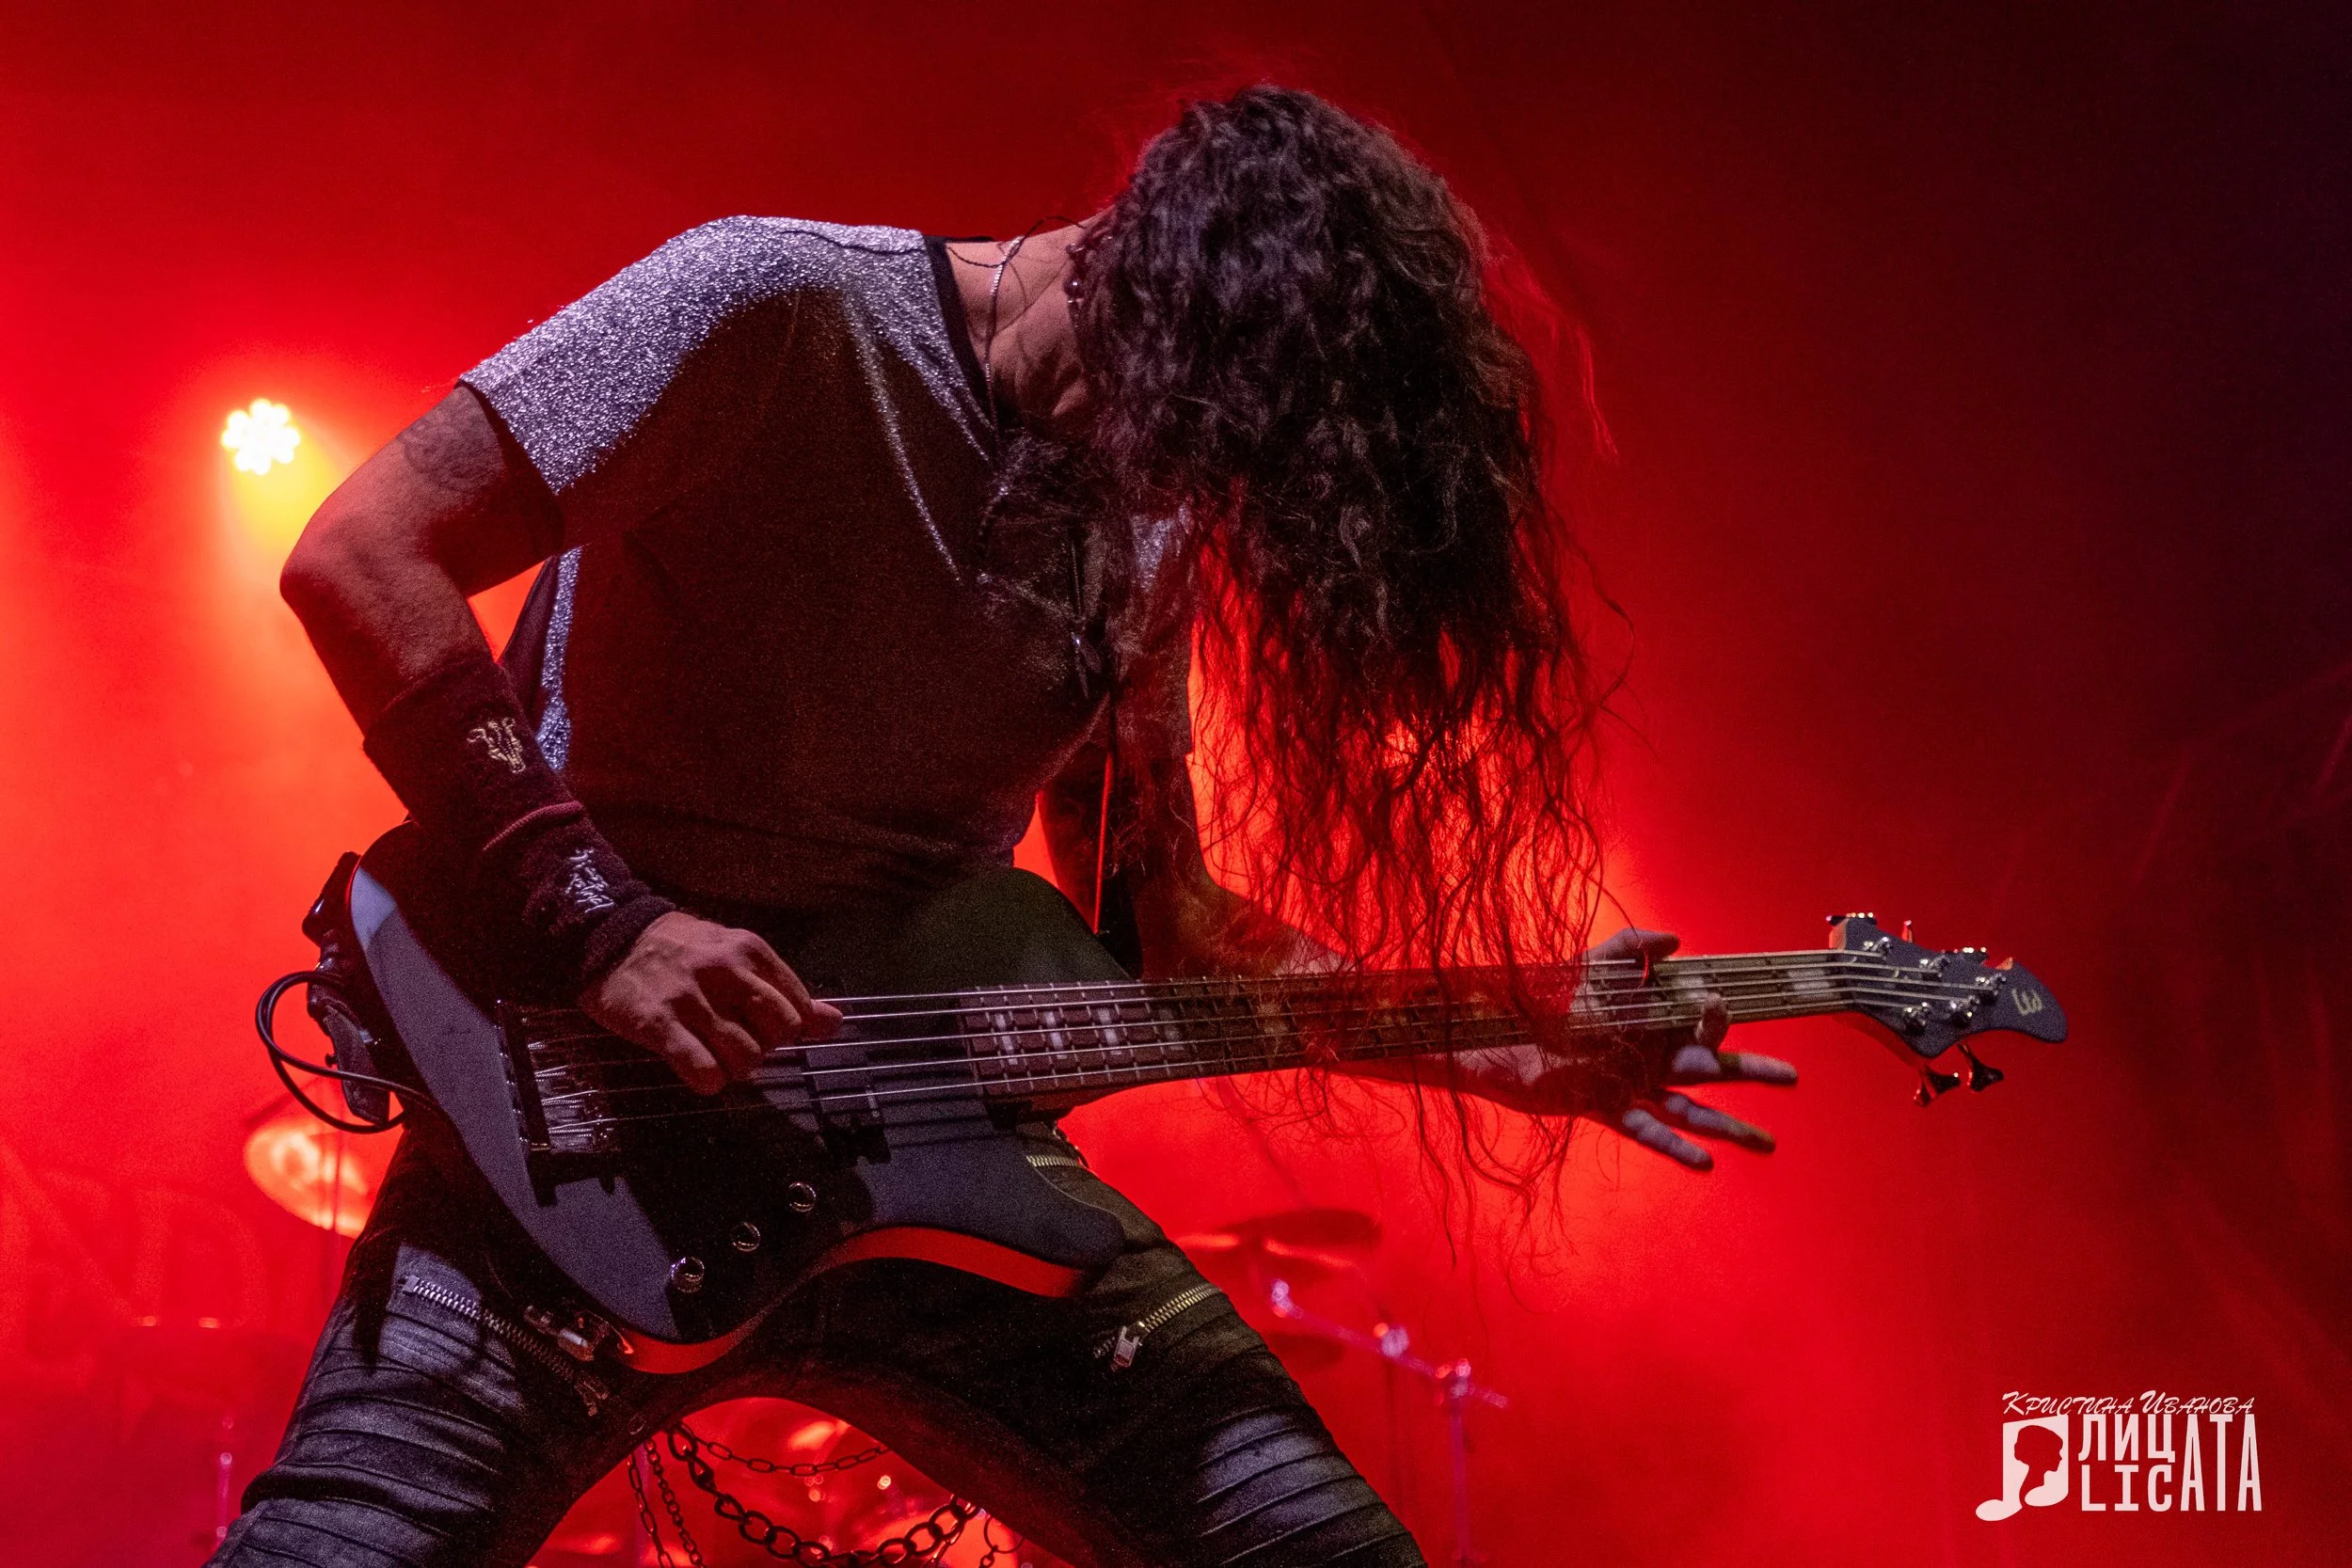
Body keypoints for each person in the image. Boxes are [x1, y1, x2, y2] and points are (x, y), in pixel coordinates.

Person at [218, 86, 1797, 1568]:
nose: (1174, 484)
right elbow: (362, 554)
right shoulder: (772, 303)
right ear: (1140, 284)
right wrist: (607, 924)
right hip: (575, 1132)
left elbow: (1159, 920)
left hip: (936, 1168)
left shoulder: (1154, 504)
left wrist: (1498, 1040)